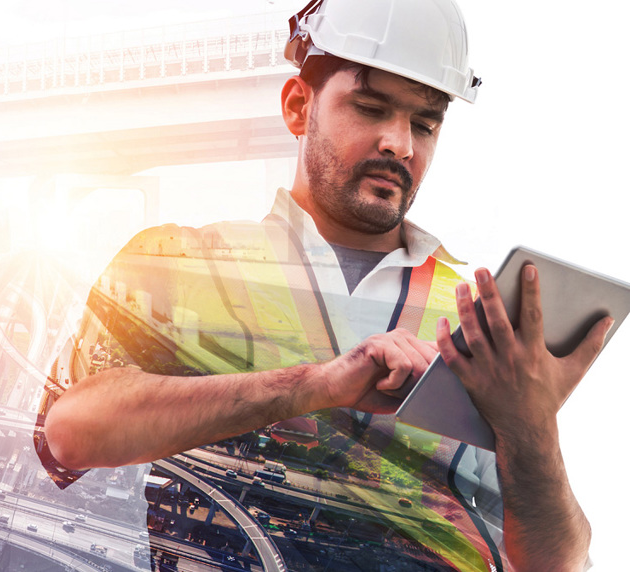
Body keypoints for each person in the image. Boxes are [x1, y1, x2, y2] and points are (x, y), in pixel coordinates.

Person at [34, 1, 611, 570]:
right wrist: (316, 384)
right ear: (297, 106)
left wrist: (530, 428)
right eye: (370, 108)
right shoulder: (179, 264)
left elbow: (558, 564)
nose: (401, 144)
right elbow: (66, 433)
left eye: (425, 123)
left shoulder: (478, 320)